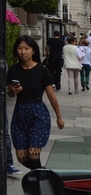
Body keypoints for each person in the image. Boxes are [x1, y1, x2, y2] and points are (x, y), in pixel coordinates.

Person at [7, 35, 64, 170]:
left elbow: (51, 95)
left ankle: (37, 186)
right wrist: (12, 90)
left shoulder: (42, 70)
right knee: (21, 157)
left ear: (33, 51)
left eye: (27, 48)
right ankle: (44, 175)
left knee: (33, 154)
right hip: (20, 114)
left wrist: (59, 117)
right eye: (20, 48)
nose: (23, 52)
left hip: (38, 114)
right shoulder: (13, 70)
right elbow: (10, 94)